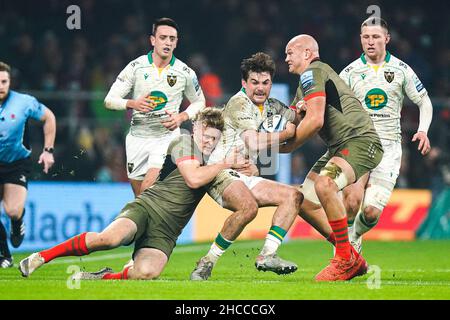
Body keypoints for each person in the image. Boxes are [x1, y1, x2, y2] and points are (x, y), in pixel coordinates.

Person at [19, 108, 245, 280]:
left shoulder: (214, 162)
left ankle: (103, 276)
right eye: (205, 134)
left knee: (146, 273)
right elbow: (193, 178)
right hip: (147, 209)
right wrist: (227, 163)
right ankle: (42, 257)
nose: (208, 141)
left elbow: (235, 179)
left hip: (167, 231)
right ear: (196, 128)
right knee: (109, 239)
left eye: (214, 138)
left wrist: (245, 169)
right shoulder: (184, 142)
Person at [190, 52, 331, 281]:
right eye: (254, 82)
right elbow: (253, 141)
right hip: (220, 171)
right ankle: (206, 262)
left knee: (293, 196)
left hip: (244, 174)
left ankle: (268, 255)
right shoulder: (239, 103)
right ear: (244, 83)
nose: (260, 88)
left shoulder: (272, 105)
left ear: (271, 84)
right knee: (248, 208)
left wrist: (304, 108)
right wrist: (286, 133)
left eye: (265, 83)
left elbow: (295, 116)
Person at [281, 35, 384, 281]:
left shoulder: (313, 72)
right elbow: (292, 123)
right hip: (339, 147)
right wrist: (274, 134)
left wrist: (286, 147)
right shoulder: (303, 85)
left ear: (307, 53)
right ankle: (350, 255)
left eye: (290, 52)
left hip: (359, 141)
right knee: (302, 200)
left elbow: (314, 121)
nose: (286, 58)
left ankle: (343, 259)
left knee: (325, 184)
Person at [338, 17, 433, 252]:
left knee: (370, 213)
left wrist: (423, 131)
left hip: (388, 148)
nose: (370, 42)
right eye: (366, 37)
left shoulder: (401, 70)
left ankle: (355, 236)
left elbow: (425, 102)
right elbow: (332, 107)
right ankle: (343, 253)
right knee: (350, 201)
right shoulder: (349, 72)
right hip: (357, 145)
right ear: (360, 39)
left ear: (387, 39)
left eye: (376, 37)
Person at [104, 17, 205, 197]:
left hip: (165, 138)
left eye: (172, 39)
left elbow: (200, 102)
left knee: (147, 191)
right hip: (137, 138)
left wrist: (181, 117)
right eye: (163, 37)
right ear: (153, 40)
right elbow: (109, 100)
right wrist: (132, 104)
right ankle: (164, 226)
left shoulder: (185, 73)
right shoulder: (136, 67)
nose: (167, 43)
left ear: (176, 43)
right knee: (141, 200)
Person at [0, 61, 56, 268]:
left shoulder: (23, 102)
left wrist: (48, 150)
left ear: (10, 81)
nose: (1, 86)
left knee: (13, 210)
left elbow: (49, 117)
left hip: (16, 163)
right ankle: (4, 255)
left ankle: (17, 223)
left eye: (4, 82)